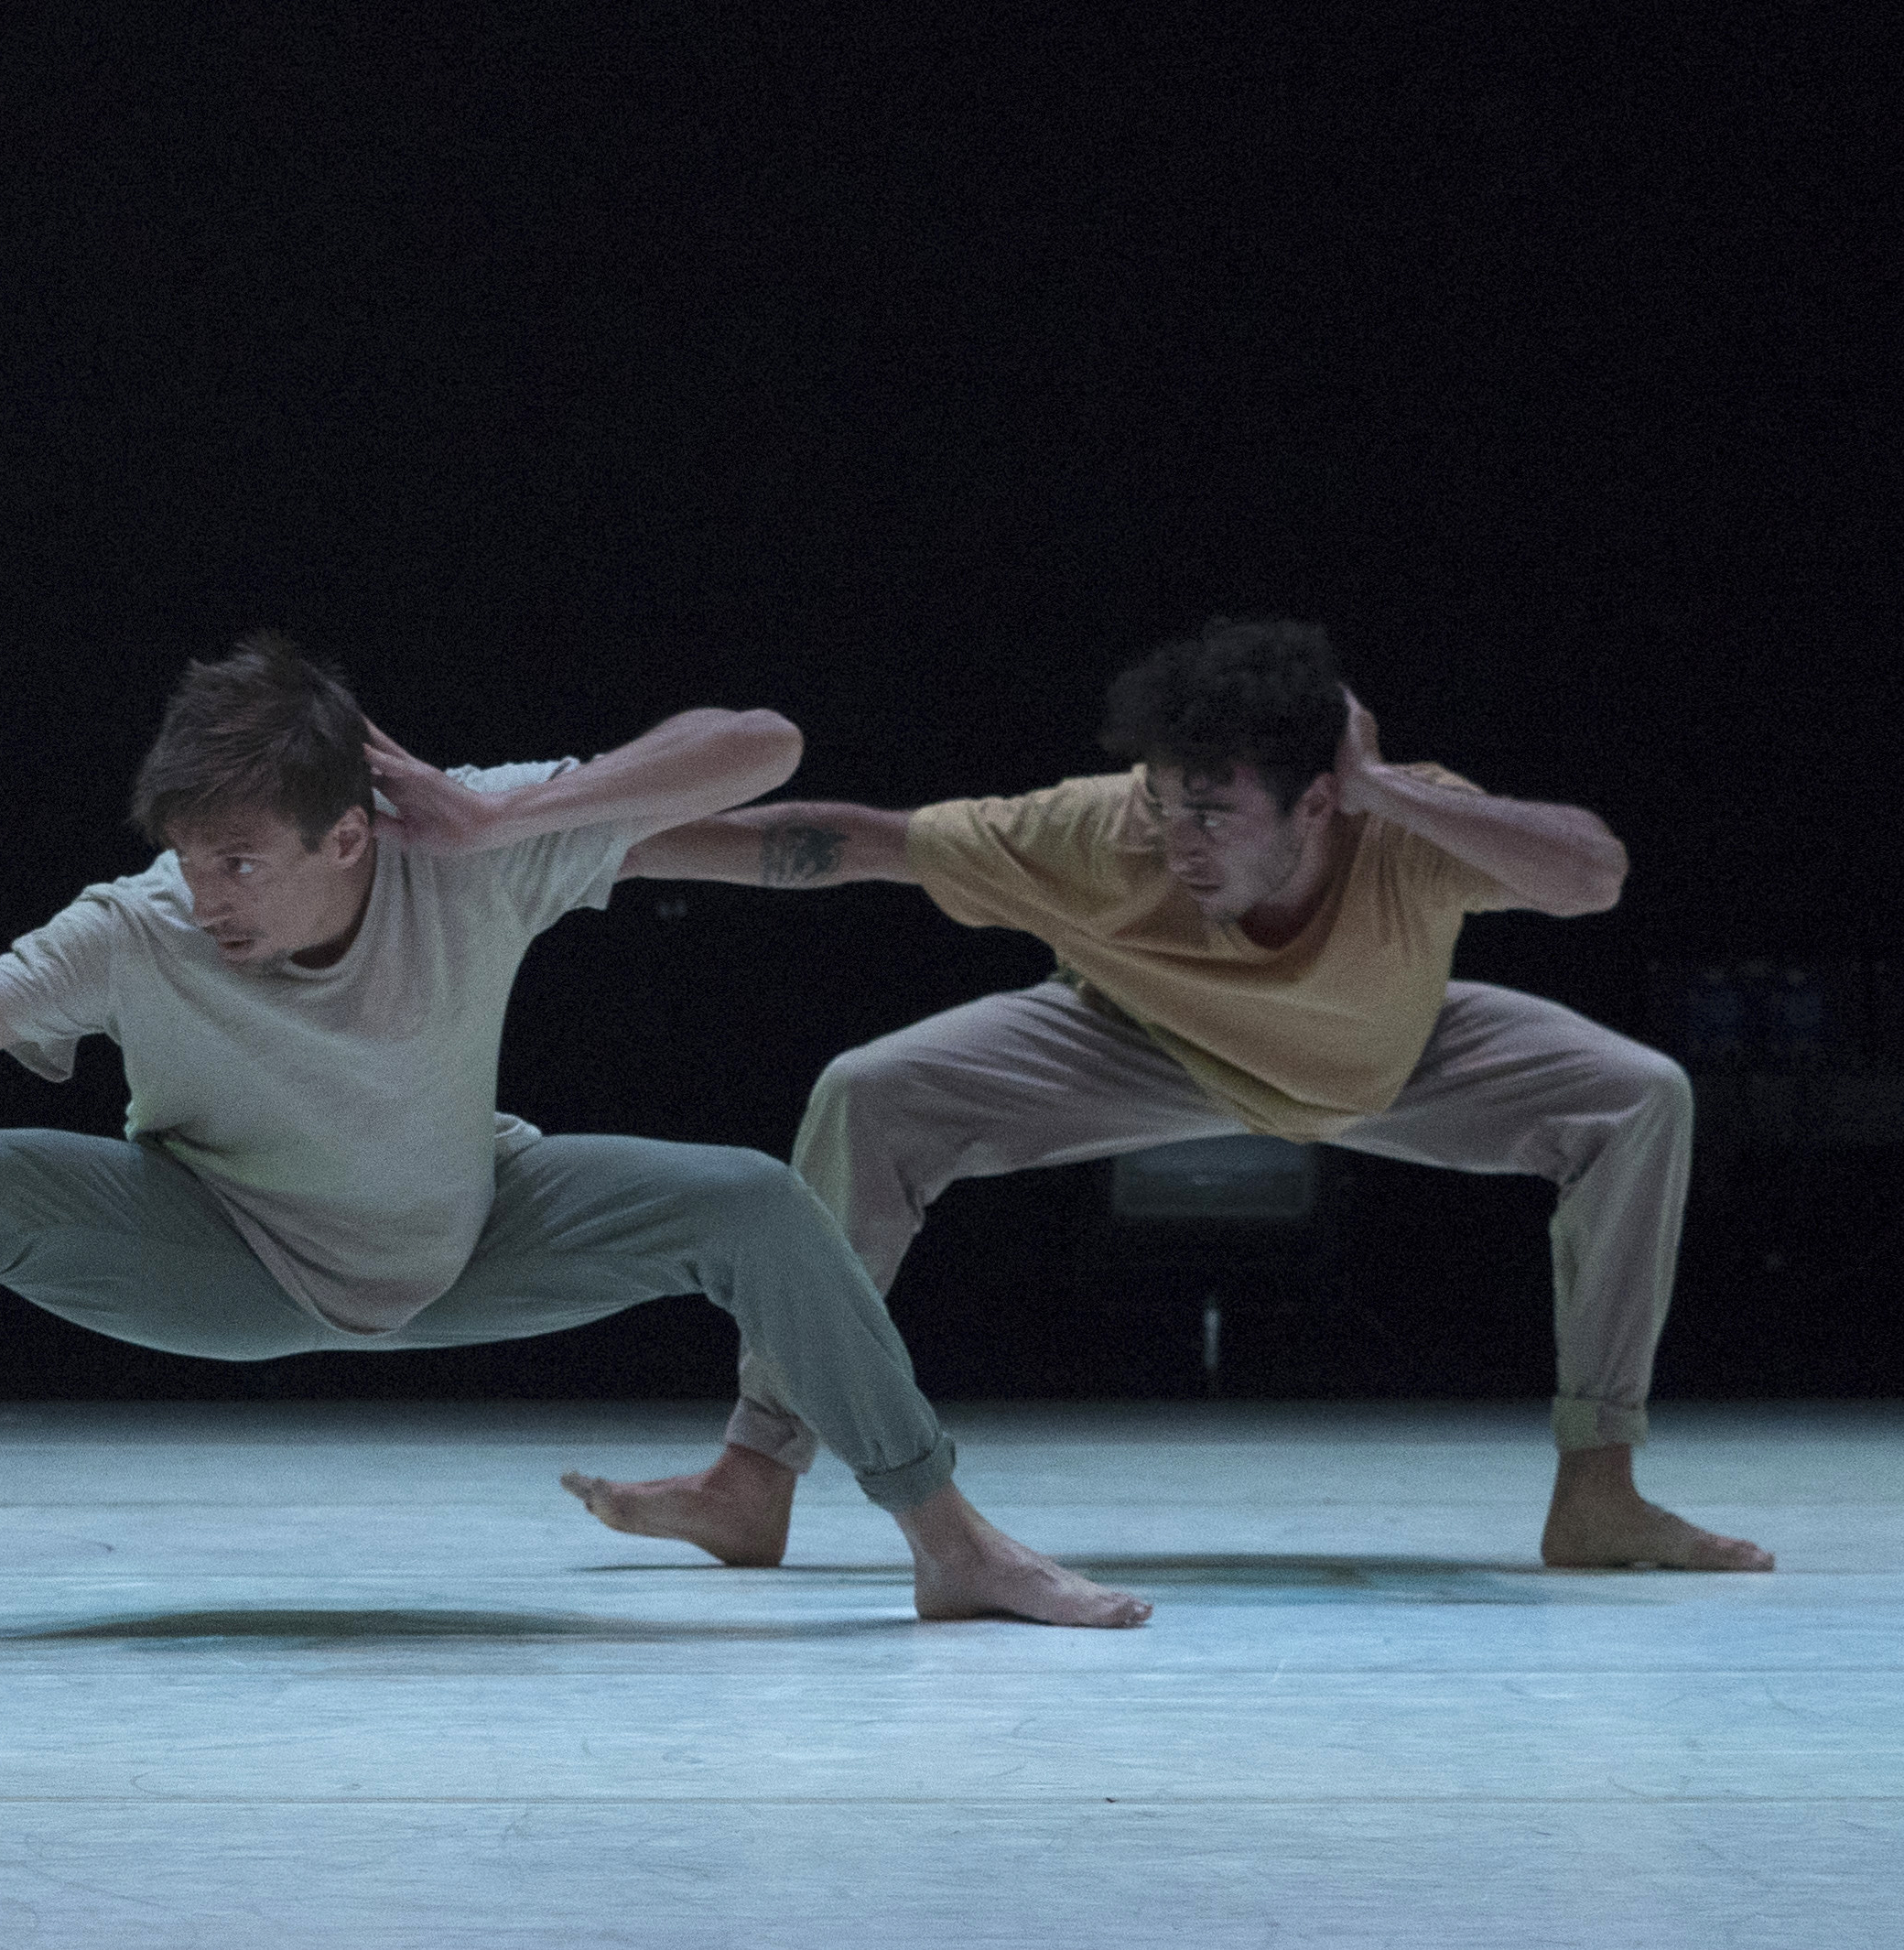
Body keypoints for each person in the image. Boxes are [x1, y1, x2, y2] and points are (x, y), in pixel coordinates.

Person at [0, 632, 1152, 1641]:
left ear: (351, 833)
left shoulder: (467, 848)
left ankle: (949, 1546)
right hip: (219, 1249)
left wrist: (512, 809)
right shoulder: (140, 925)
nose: (206, 897)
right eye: (189, 858)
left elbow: (762, 745)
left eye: (242, 863)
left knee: (754, 1202)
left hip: (468, 1227)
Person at [593, 617, 1767, 1573]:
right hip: (1135, 1043)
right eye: (1166, 801)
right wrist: (610, 849)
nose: (1180, 841)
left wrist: (1380, 785)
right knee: (872, 1092)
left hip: (1393, 1056)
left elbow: (1593, 874)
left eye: (1213, 813)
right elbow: (856, 842)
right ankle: (753, 1476)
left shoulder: (1399, 827)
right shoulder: (1104, 833)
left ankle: (1600, 1489)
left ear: (1318, 803)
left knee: (1638, 1096)